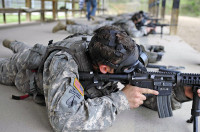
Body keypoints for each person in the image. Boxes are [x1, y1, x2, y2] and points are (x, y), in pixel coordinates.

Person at [1, 26, 198, 131]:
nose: (135, 69)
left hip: (57, 57)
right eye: (129, 68)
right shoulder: (63, 63)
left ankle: (15, 43)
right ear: (105, 68)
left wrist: (185, 92)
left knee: (24, 46)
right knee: (10, 63)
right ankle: (14, 44)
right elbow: (64, 121)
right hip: (27, 70)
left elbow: (143, 93)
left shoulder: (112, 53)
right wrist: (120, 99)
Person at [52, 12, 154, 38]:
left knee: (87, 28)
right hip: (106, 27)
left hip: (107, 25)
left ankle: (73, 23)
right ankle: (64, 27)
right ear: (137, 20)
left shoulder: (129, 20)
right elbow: (135, 34)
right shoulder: (129, 23)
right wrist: (145, 30)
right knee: (86, 30)